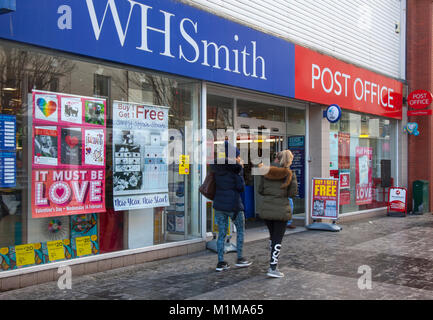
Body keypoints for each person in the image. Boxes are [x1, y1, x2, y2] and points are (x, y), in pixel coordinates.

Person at [211, 141, 252, 272]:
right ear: (235, 157)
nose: (240, 158)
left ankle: (221, 262)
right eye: (238, 156)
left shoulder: (217, 168)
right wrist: (241, 169)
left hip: (219, 205)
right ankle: (240, 258)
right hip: (234, 206)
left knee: (221, 233)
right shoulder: (236, 169)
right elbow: (241, 188)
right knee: (240, 230)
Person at [257, 149, 298, 278]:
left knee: (273, 237)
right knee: (277, 239)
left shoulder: (265, 171)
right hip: (281, 211)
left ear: (276, 159)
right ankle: (273, 267)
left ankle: (273, 263)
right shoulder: (290, 174)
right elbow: (292, 193)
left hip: (267, 210)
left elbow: (260, 190)